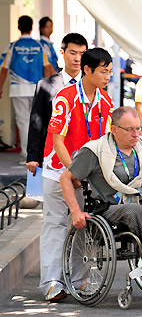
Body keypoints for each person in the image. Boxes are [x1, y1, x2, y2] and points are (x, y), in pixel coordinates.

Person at [59, 106, 142, 296]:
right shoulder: (95, 151)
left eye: (138, 128)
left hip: (140, 205)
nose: (136, 134)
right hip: (108, 210)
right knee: (137, 211)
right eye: (130, 130)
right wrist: (76, 212)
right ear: (114, 129)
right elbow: (66, 178)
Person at [39, 47, 114, 302]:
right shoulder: (65, 97)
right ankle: (51, 283)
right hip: (58, 169)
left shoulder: (106, 101)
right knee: (55, 224)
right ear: (87, 70)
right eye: (104, 72)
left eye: (110, 72)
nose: (107, 77)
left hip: (85, 173)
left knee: (83, 226)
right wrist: (72, 170)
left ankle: (80, 282)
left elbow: (105, 141)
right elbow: (57, 139)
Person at [26, 33, 88, 176]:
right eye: (73, 53)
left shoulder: (91, 86)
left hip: (83, 154)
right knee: (52, 197)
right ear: (62, 52)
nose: (77, 58)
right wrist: (33, 157)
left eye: (82, 53)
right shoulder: (45, 85)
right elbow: (36, 122)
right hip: (52, 157)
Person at [0, 15, 54, 164]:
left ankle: (26, 155)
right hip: (37, 89)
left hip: (18, 90)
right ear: (32, 27)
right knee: (38, 121)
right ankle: (39, 154)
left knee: (23, 122)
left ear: (18, 27)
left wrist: (0, 88)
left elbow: (3, 69)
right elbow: (47, 69)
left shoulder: (12, 47)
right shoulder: (40, 46)